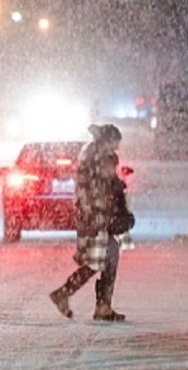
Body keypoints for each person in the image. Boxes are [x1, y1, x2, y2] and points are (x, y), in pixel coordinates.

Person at [49, 123, 129, 322]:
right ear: (108, 140)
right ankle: (76, 297)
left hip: (98, 216)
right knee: (100, 260)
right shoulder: (98, 156)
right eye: (115, 143)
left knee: (107, 258)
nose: (117, 148)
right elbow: (99, 187)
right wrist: (115, 189)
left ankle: (99, 304)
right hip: (97, 218)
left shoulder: (95, 154)